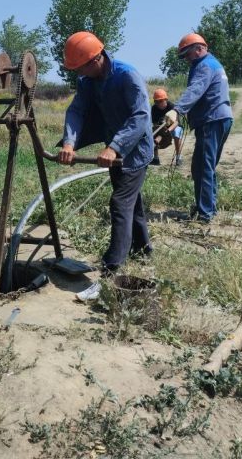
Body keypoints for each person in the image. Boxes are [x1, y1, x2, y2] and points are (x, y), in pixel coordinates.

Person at [57, 31, 154, 302]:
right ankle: (143, 250)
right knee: (132, 203)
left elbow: (140, 116)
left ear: (97, 58)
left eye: (82, 67)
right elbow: (76, 111)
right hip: (112, 148)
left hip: (133, 151)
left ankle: (112, 272)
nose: (81, 74)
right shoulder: (88, 80)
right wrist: (69, 143)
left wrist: (115, 147)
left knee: (120, 203)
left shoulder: (127, 76)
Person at [168, 33, 233, 223]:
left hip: (211, 120)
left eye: (187, 54)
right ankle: (208, 208)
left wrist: (177, 110)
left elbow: (196, 89)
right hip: (221, 119)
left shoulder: (204, 66)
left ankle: (205, 215)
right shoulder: (214, 64)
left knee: (204, 167)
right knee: (203, 167)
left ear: (199, 48)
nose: (186, 59)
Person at [151, 88, 184, 167]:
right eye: (156, 101)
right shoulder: (154, 108)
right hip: (161, 128)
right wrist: (158, 132)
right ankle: (156, 159)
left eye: (161, 101)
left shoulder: (171, 106)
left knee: (176, 133)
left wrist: (168, 130)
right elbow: (155, 124)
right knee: (153, 134)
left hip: (173, 127)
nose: (158, 103)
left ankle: (178, 158)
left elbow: (176, 122)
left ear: (165, 99)